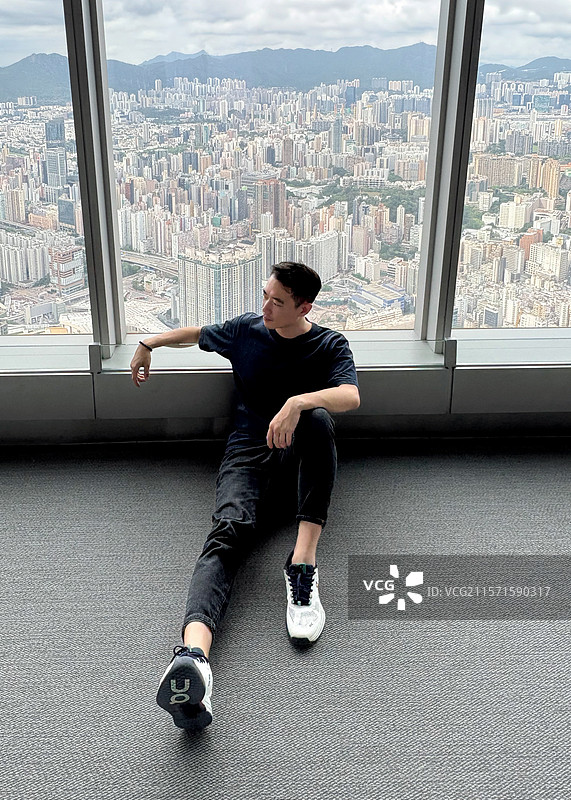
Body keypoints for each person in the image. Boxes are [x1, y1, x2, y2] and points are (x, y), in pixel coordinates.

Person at [130, 261, 360, 733]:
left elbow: (350, 396)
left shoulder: (329, 343)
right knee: (227, 533)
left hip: (300, 457)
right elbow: (199, 334)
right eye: (265, 297)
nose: (266, 308)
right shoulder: (247, 331)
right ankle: (194, 658)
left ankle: (303, 562)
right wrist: (150, 342)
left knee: (319, 420)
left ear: (304, 307)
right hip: (248, 452)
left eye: (278, 302)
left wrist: (298, 402)